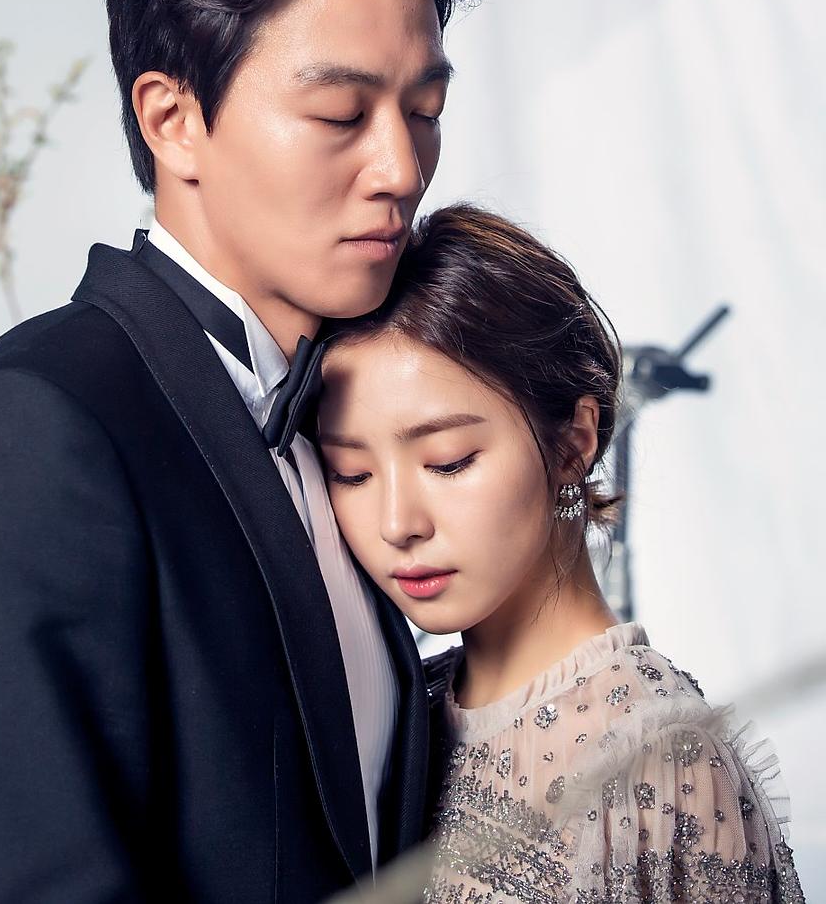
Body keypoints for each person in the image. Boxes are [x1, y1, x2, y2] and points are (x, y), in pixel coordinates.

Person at [0, 0, 491, 904]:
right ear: (173, 120)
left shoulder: (350, 424)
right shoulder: (24, 440)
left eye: (424, 111)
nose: (401, 167)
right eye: (341, 113)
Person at [317, 204, 805, 903]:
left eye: (448, 461)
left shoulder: (659, 759)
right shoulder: (397, 709)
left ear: (574, 442)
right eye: (353, 473)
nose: (397, 524)